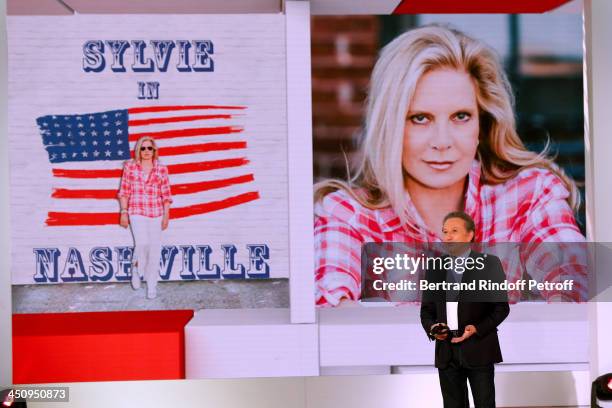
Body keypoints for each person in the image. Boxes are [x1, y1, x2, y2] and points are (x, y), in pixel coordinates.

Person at [313, 25, 586, 307]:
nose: (442, 142)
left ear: (483, 122)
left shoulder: (528, 196)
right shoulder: (349, 216)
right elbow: (329, 312)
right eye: (420, 118)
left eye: (460, 116)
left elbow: (579, 287)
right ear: (390, 126)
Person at [420, 211, 509, 408]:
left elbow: (501, 308)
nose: (448, 236)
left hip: (479, 349)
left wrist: (476, 328)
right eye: (445, 232)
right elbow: (426, 311)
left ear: (470, 235)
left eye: (454, 231)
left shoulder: (489, 264)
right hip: (446, 353)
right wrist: (434, 329)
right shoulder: (435, 267)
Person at [118, 136, 172, 299]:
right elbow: (124, 191)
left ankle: (151, 284)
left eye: (150, 148)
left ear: (154, 151)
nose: (147, 151)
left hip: (156, 213)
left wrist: (166, 216)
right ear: (138, 150)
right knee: (141, 244)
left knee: (154, 248)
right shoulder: (130, 167)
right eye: (143, 148)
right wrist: (123, 212)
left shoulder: (161, 168)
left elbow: (166, 194)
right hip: (136, 211)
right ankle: (135, 270)